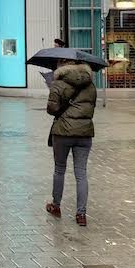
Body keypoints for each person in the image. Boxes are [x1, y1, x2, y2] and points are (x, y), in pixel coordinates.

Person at [46, 59, 97, 227]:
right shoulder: (90, 85)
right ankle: (81, 214)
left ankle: (56, 205)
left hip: (63, 133)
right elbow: (92, 108)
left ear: (63, 67)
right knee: (81, 173)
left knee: (59, 169)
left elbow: (51, 109)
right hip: (84, 133)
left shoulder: (58, 84)